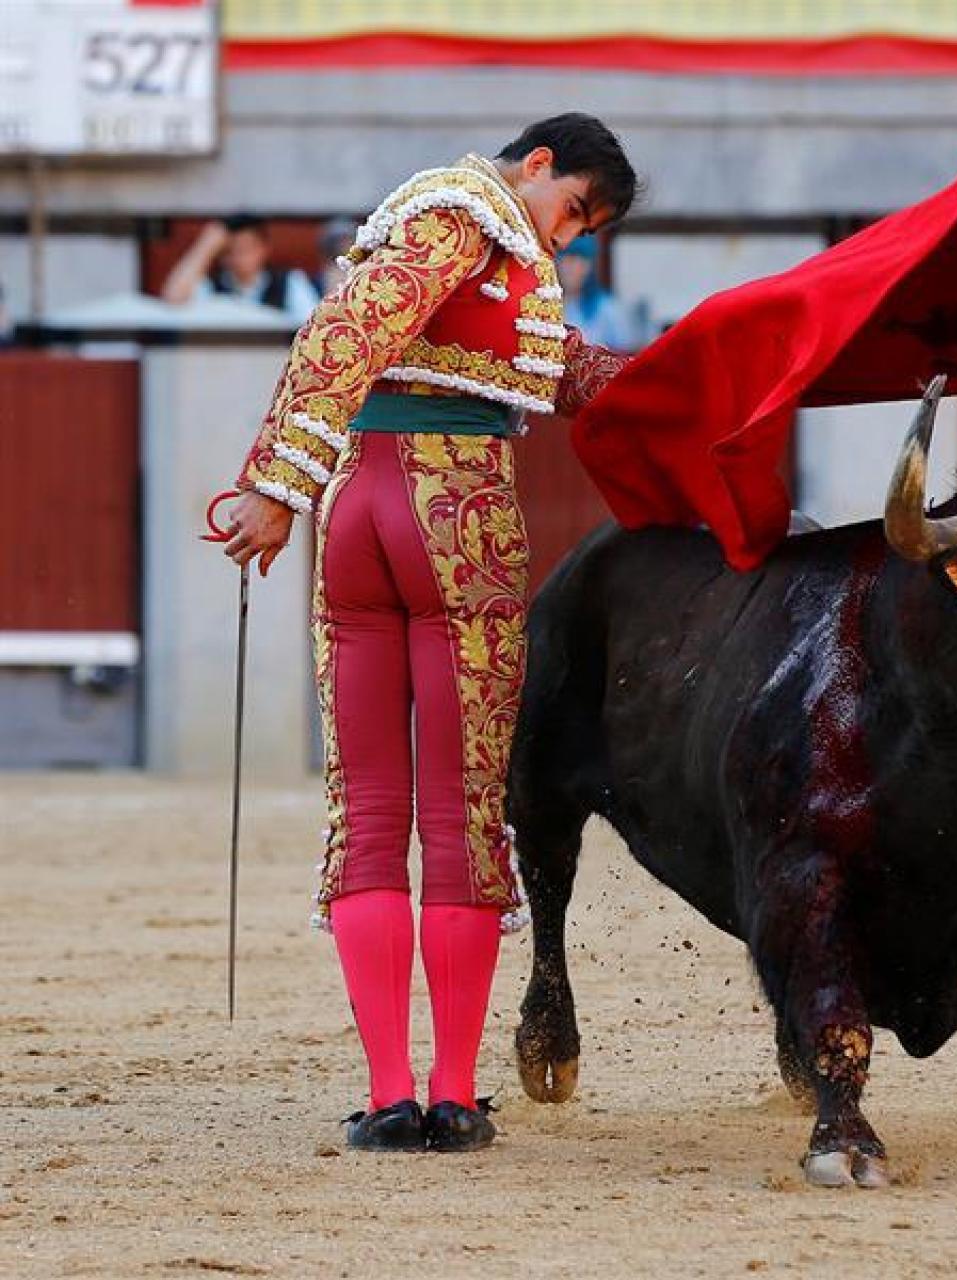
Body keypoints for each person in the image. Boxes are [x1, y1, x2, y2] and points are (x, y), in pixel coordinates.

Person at [218, 113, 638, 1154]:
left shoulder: (461, 237)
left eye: (583, 230)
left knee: (368, 810)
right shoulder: (468, 218)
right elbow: (344, 333)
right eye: (572, 210)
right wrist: (270, 486)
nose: (566, 237)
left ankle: (386, 1097)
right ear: (537, 164)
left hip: (357, 513)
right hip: (456, 513)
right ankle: (448, 1095)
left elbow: (544, 364)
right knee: (461, 809)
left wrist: (671, 374)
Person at [160, 214, 320, 325]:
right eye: (231, 251)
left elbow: (313, 328)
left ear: (263, 249)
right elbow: (173, 301)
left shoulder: (290, 282)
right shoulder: (211, 286)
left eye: (246, 249)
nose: (239, 258)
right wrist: (206, 245)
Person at [555, 235, 639, 351]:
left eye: (580, 262)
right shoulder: (548, 306)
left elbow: (624, 352)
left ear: (590, 267)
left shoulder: (608, 309)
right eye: (566, 260)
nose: (572, 269)